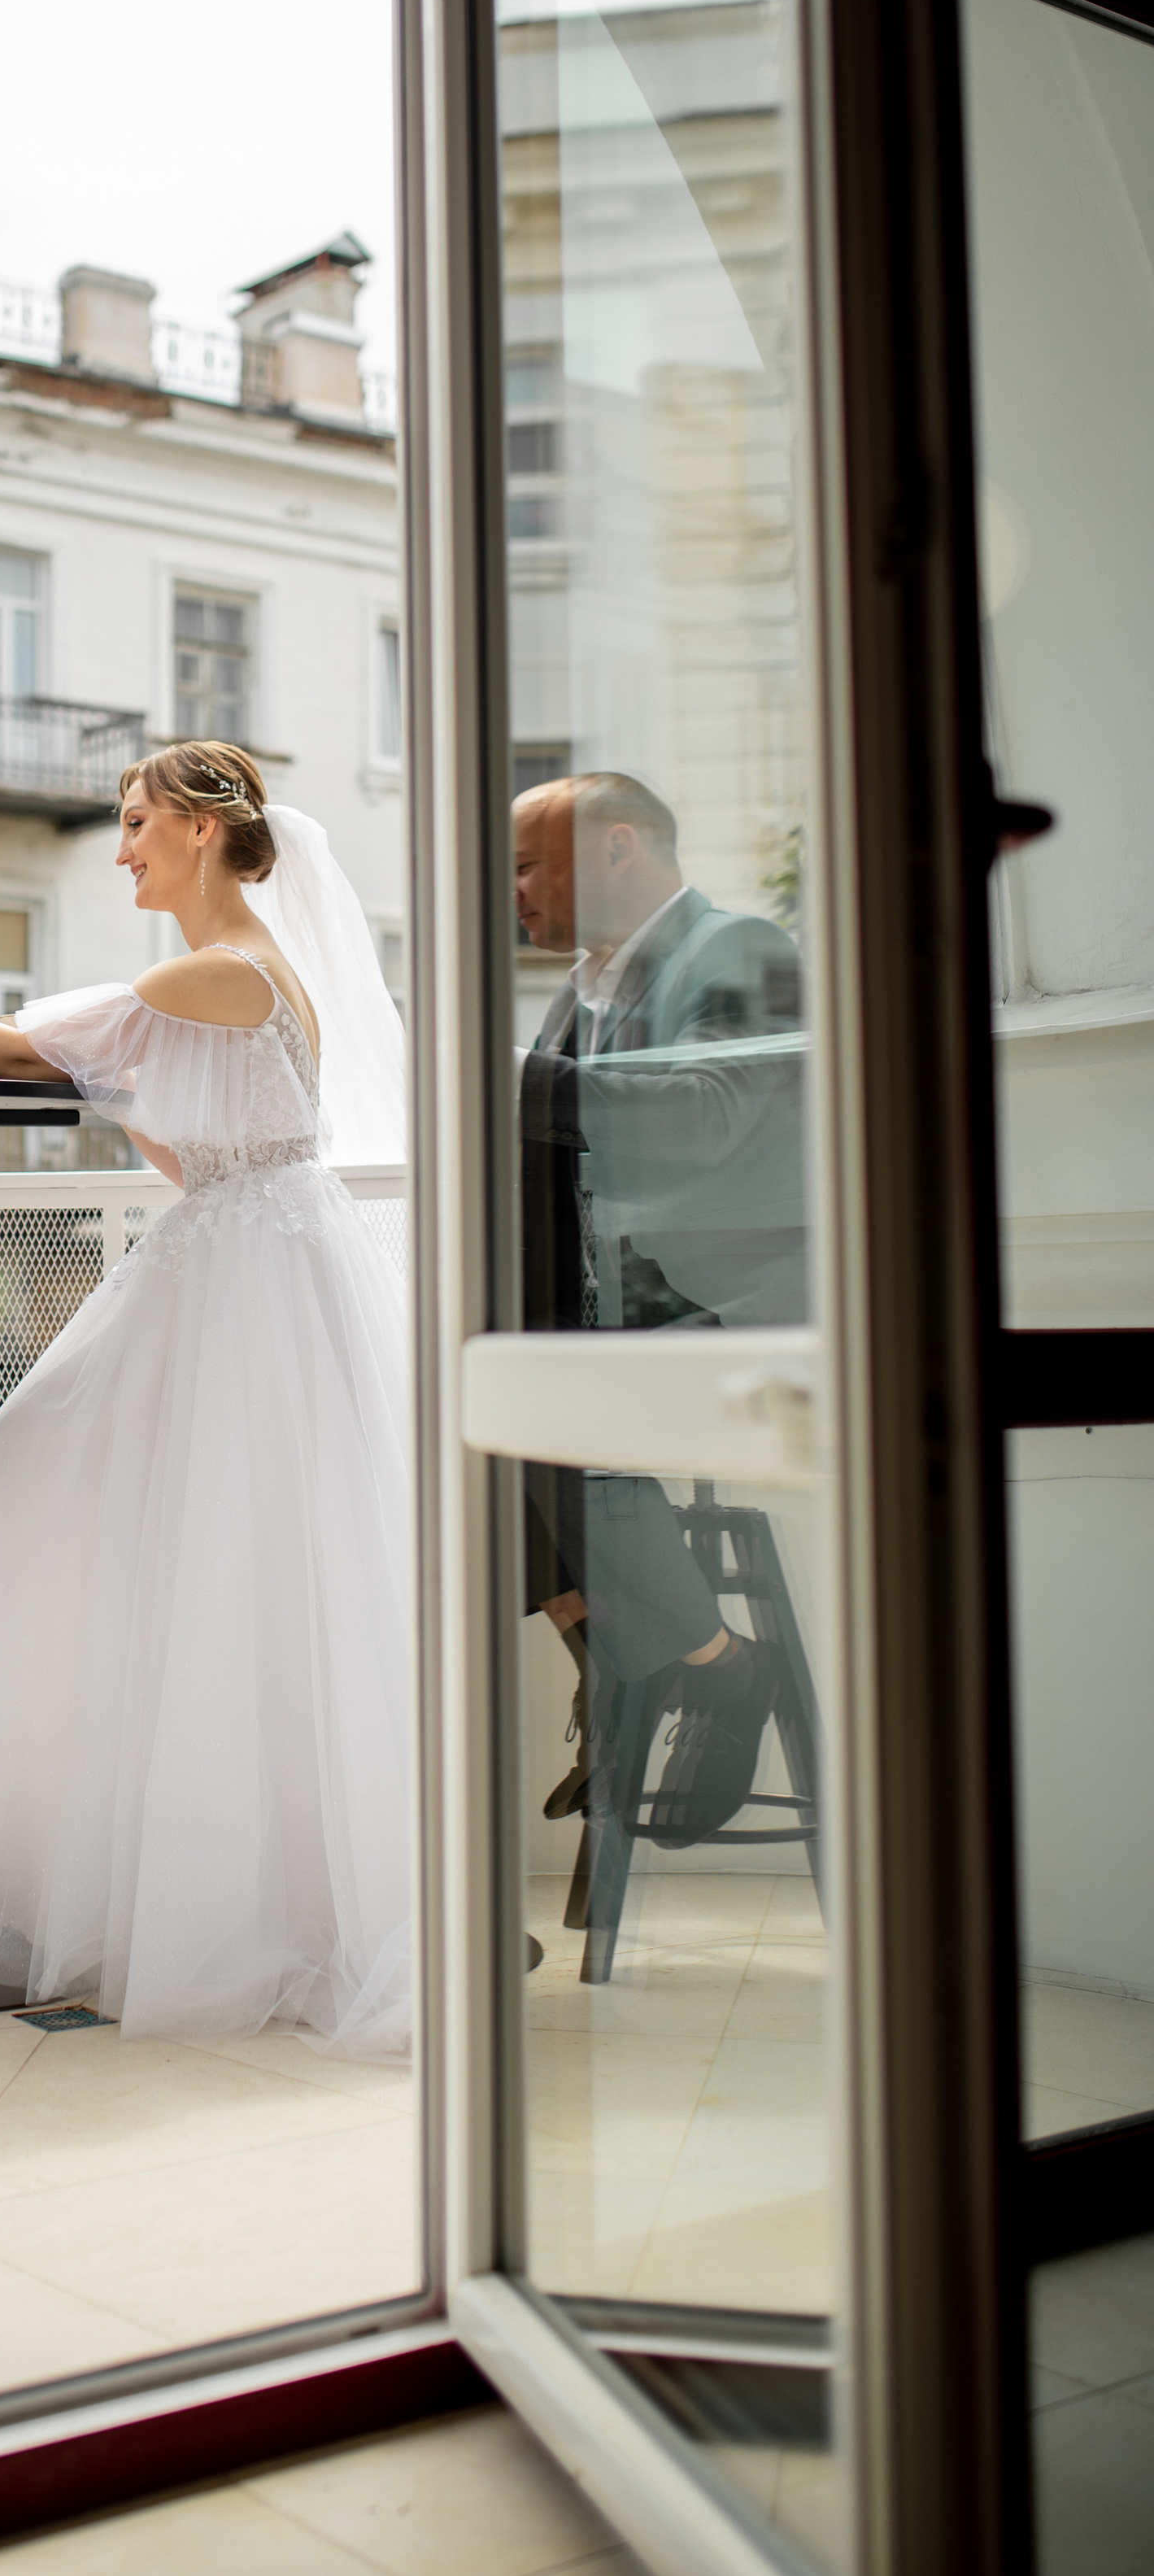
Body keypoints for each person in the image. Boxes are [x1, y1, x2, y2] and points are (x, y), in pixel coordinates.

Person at [0, 742, 413, 2056]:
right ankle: (171, 1873)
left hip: (243, 1271)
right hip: (242, 1254)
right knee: (186, 1535)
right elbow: (152, 1115)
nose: (126, 845)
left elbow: (16, 1048)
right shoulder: (236, 974)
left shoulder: (209, 970)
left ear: (202, 830)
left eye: (139, 822)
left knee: (100, 1489)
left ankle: (199, 1897)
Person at [513, 771, 805, 1846]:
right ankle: (684, 1662)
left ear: (618, 848)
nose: (516, 894)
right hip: (629, 1303)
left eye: (528, 865)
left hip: (742, 1301)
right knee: (460, 1408)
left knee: (536, 1413)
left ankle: (675, 1674)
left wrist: (512, 1081)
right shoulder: (585, 983)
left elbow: (706, 1121)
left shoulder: (742, 950)